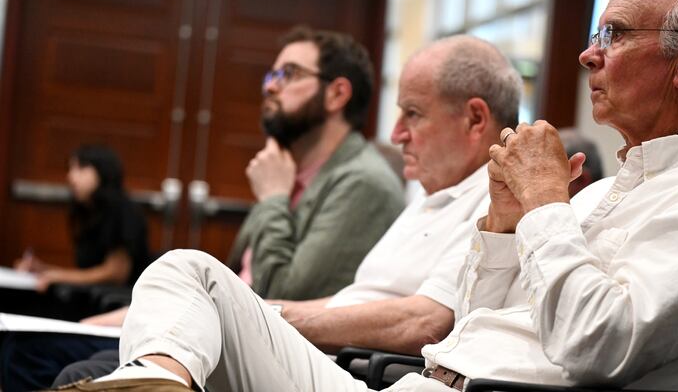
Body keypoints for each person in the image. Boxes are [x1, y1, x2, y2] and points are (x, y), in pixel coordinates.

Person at [58, 0, 678, 391]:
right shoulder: (594, 194)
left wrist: (539, 210)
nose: (588, 58)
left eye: (614, 35)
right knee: (188, 272)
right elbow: (470, 322)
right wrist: (503, 227)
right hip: (413, 383)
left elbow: (598, 343)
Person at [48, 34, 524, 390]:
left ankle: (154, 376)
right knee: (148, 303)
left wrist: (260, 312)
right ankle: (154, 375)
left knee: (181, 271)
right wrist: (246, 308)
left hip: (363, 371)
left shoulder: (493, 198)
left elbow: (424, 323)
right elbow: (348, 300)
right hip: (331, 355)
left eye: (412, 114)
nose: (396, 134)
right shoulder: (427, 200)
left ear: (475, 119)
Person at [227, 25, 404, 299]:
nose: (271, 87)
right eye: (272, 75)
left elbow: (279, 301)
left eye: (289, 74)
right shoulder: (285, 169)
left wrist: (273, 199)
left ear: (337, 94)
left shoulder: (364, 184)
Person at [14, 144, 149, 292]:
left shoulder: (124, 211)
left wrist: (59, 276)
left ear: (103, 172)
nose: (71, 177)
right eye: (71, 169)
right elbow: (90, 271)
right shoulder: (88, 210)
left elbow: (115, 273)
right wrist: (42, 270)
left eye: (81, 168)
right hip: (94, 295)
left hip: (116, 301)